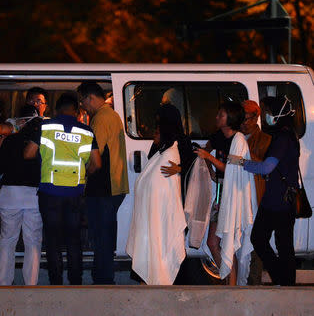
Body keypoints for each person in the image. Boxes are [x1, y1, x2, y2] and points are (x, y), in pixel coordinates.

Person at [24, 92, 101, 285]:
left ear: (57, 109)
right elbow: (97, 164)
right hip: (75, 193)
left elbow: (28, 154)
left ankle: (56, 281)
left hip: (50, 193)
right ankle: (75, 281)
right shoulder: (87, 132)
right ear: (76, 111)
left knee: (52, 239)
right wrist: (83, 176)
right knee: (74, 239)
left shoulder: (45, 127)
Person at [230, 96, 299, 286]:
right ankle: (283, 281)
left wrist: (242, 162)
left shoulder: (283, 137)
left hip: (281, 201)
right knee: (263, 240)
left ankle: (286, 284)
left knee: (281, 245)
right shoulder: (281, 135)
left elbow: (266, 167)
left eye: (269, 112)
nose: (267, 116)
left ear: (279, 113)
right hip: (273, 200)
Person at [126, 103, 187, 285]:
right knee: (150, 240)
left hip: (169, 204)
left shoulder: (180, 143)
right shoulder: (161, 145)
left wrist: (181, 168)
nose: (156, 129)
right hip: (152, 208)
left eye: (160, 123)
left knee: (165, 241)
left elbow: (194, 167)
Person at [77, 81, 129, 285]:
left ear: (90, 97)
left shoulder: (100, 118)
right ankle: (103, 277)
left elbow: (93, 157)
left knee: (101, 236)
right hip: (113, 185)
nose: (82, 106)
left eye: (82, 101)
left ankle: (103, 279)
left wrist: (82, 179)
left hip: (103, 187)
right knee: (104, 234)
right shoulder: (111, 115)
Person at [194, 101, 245, 285]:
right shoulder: (218, 136)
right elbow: (206, 151)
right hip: (222, 189)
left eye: (221, 115)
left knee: (228, 241)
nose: (217, 117)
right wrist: (211, 170)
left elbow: (232, 169)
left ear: (230, 118)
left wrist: (209, 159)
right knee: (212, 242)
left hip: (233, 193)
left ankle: (232, 284)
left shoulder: (238, 140)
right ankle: (228, 278)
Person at [0, 105, 43, 285]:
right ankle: (31, 283)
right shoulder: (41, 141)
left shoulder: (10, 140)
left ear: (21, 122)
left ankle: (4, 283)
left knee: (7, 240)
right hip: (34, 197)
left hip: (9, 196)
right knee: (33, 241)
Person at [240, 100, 272, 285]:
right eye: (241, 119)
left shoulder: (265, 140)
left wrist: (242, 157)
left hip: (256, 198)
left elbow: (263, 166)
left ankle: (253, 284)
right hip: (240, 196)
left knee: (255, 243)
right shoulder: (236, 137)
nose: (243, 123)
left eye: (246, 119)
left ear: (256, 118)